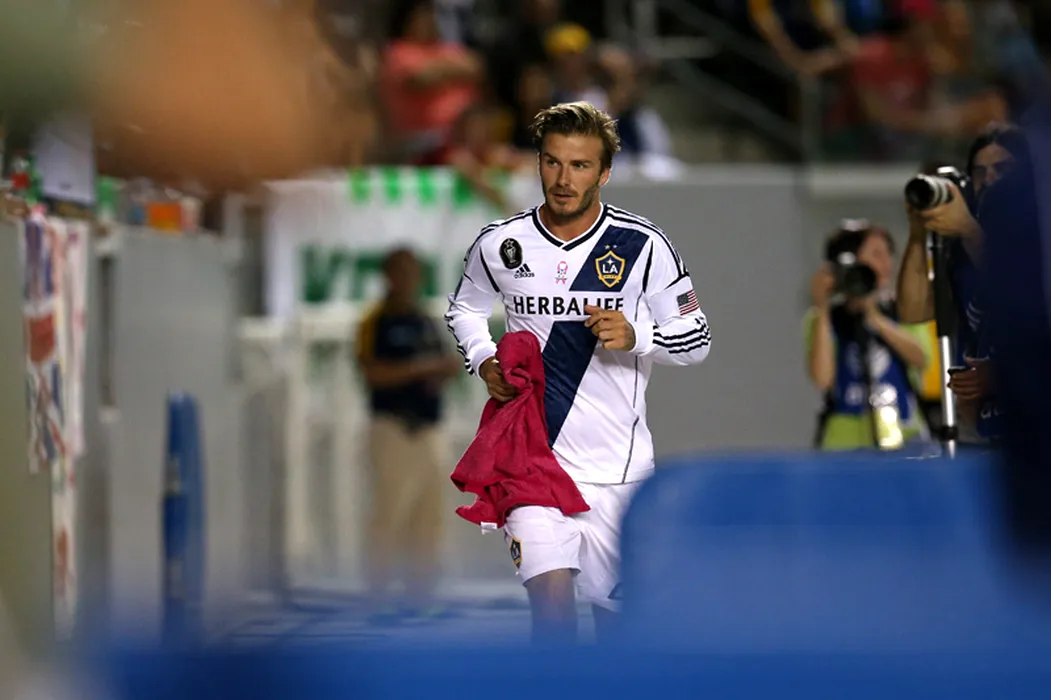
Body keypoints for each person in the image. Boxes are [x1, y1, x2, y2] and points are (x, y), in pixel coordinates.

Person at [445, 102, 711, 645]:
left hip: (619, 471)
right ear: (538, 163)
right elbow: (464, 309)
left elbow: (697, 340)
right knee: (552, 618)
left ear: (604, 173)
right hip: (533, 461)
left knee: (620, 639)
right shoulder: (501, 244)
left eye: (581, 165)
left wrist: (637, 335)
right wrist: (484, 358)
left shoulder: (642, 247)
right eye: (553, 162)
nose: (564, 179)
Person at [896, 123, 1026, 444]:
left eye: (1002, 169)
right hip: (980, 424)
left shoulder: (1036, 236)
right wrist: (918, 233)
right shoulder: (960, 245)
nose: (990, 179)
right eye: (980, 173)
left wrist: (968, 229)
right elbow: (913, 311)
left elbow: (1019, 287)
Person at [355, 247, 462, 622]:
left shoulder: (425, 321)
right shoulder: (376, 321)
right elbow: (373, 373)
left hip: (428, 429)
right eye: (400, 271)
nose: (407, 279)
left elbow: (445, 363)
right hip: (393, 427)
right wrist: (421, 369)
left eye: (413, 271)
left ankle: (422, 595)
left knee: (428, 517)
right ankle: (378, 596)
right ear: (387, 275)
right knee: (389, 514)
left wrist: (442, 370)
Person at [806, 223, 931, 450]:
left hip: (904, 434)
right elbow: (822, 378)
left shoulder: (902, 311)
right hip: (845, 442)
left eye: (888, 254)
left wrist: (874, 317)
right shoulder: (827, 319)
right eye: (875, 254)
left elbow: (922, 357)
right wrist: (822, 307)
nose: (885, 263)